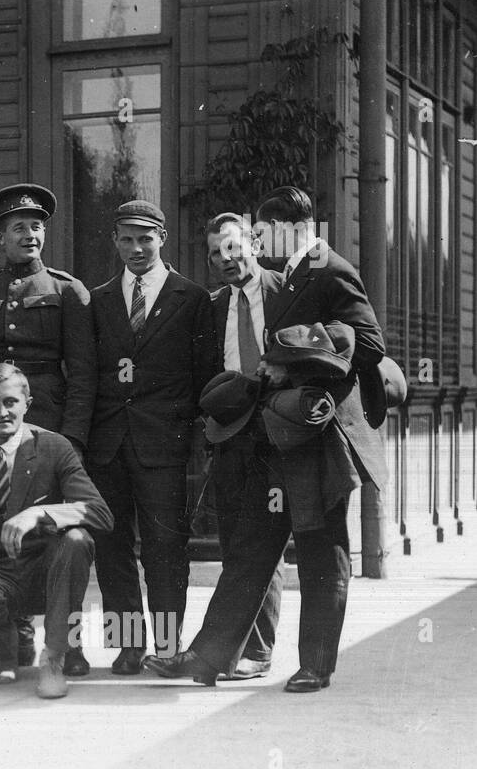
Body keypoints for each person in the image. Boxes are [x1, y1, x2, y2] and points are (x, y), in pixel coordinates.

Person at [145, 186, 387, 693]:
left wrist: (288, 355)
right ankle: (206, 660)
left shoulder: (329, 268)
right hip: (271, 439)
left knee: (322, 551)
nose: (250, 245)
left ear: (288, 229)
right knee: (252, 550)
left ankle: (316, 666)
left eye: (258, 235)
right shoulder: (291, 274)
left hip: (318, 438)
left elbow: (368, 343)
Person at [0, 183, 97, 672]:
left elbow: (83, 373)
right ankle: (15, 629)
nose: (29, 235)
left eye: (36, 226)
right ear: (0, 236)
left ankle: (69, 644)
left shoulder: (66, 290)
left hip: (49, 428)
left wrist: (72, 438)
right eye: (19, 228)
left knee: (61, 536)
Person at [0, 363, 113, 698]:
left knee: (76, 540)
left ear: (27, 403)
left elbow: (100, 513)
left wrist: (40, 513)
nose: (2, 412)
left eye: (11, 402)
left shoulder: (54, 447)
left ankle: (55, 657)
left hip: (44, 572)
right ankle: (6, 638)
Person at [87, 201, 215, 671]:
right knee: (112, 545)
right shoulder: (97, 299)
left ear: (162, 237)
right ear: (115, 242)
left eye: (146, 238)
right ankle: (128, 643)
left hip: (165, 443)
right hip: (108, 444)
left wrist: (193, 437)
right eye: (126, 238)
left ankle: (166, 644)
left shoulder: (192, 298)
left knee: (165, 547)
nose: (137, 248)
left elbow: (205, 377)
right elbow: (90, 374)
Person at [203, 212, 285, 680]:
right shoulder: (214, 307)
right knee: (234, 544)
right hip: (231, 435)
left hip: (277, 434)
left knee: (264, 542)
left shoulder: (285, 293)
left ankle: (259, 650)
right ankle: (238, 649)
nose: (225, 259)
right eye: (215, 252)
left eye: (232, 247)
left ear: (253, 243)